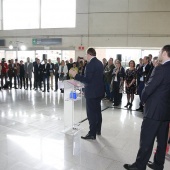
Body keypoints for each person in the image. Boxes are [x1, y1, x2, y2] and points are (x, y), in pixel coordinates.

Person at [124, 45, 170, 170]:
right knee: (162, 140)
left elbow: (149, 88)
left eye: (160, 51)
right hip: (166, 112)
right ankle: (158, 164)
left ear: (165, 53)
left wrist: (142, 100)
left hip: (154, 111)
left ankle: (139, 166)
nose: (159, 54)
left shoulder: (161, 69)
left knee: (146, 140)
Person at [69, 48, 104, 140]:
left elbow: (87, 80)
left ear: (89, 54)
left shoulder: (90, 65)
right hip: (99, 92)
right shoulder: (100, 63)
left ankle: (92, 134)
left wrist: (75, 75)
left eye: (86, 55)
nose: (86, 57)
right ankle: (98, 130)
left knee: (91, 113)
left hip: (92, 93)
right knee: (97, 112)